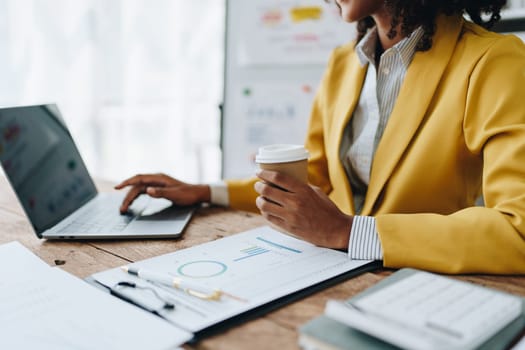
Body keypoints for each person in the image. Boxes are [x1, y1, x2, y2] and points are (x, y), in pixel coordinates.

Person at [115, 0, 525, 274]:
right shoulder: (345, 62)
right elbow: (318, 175)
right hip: (332, 275)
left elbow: (518, 231)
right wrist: (206, 190)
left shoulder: (494, 61)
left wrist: (347, 232)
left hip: (426, 289)